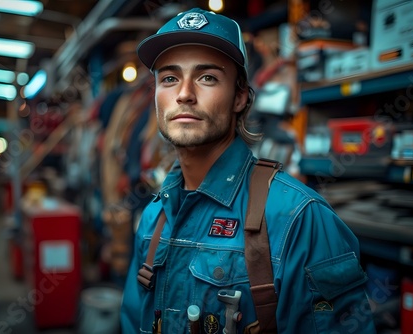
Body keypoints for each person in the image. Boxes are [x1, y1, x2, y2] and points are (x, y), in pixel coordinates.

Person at [120, 7, 376, 333]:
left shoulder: (299, 219)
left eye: (207, 77)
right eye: (169, 79)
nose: (184, 94)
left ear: (240, 96)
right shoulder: (153, 220)